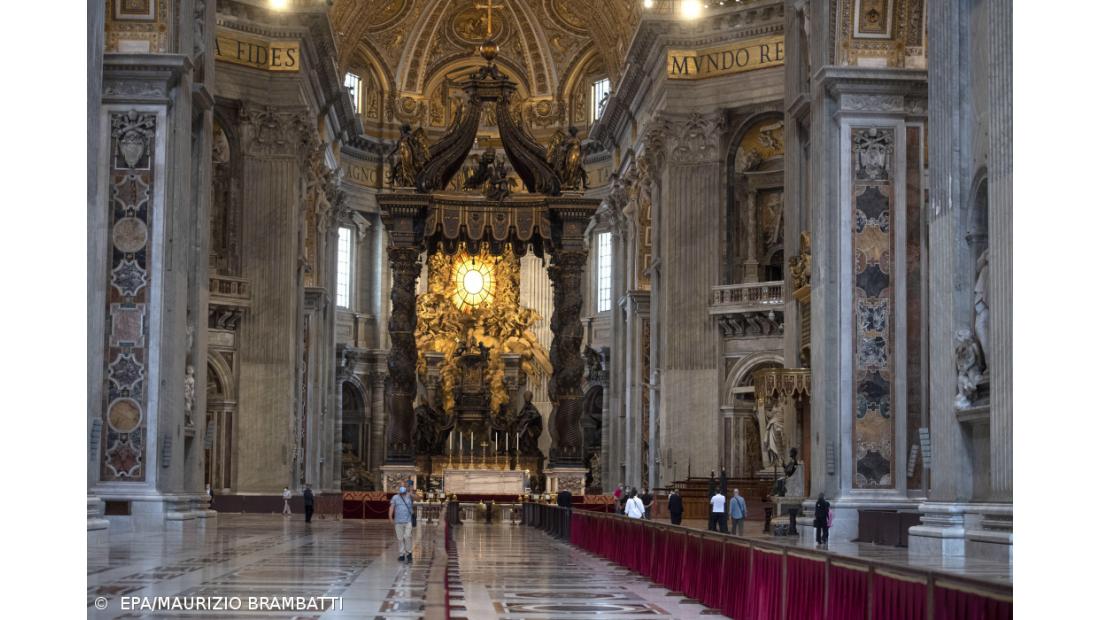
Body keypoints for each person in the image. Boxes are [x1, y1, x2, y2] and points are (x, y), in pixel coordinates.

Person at [389, 486, 416, 562]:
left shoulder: (409, 496)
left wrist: (412, 493)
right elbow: (391, 507)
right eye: (401, 493)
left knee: (407, 536)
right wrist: (390, 517)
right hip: (398, 521)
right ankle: (401, 554)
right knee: (400, 538)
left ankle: (409, 553)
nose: (403, 494)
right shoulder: (395, 497)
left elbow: (418, 498)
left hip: (408, 521)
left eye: (404, 492)